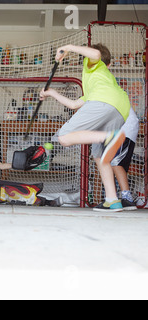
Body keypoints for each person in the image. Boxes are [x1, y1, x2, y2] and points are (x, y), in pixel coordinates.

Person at [40, 43, 130, 212]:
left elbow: (95, 54)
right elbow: (75, 104)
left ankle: (108, 137)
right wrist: (51, 93)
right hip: (120, 109)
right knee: (100, 156)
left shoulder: (93, 65)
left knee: (64, 136)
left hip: (104, 102)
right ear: (109, 65)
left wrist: (67, 47)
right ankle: (113, 200)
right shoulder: (100, 81)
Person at [111, 106, 139, 210]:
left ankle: (127, 199)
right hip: (121, 129)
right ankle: (112, 198)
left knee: (116, 163)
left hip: (124, 129)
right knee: (112, 164)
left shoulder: (104, 95)